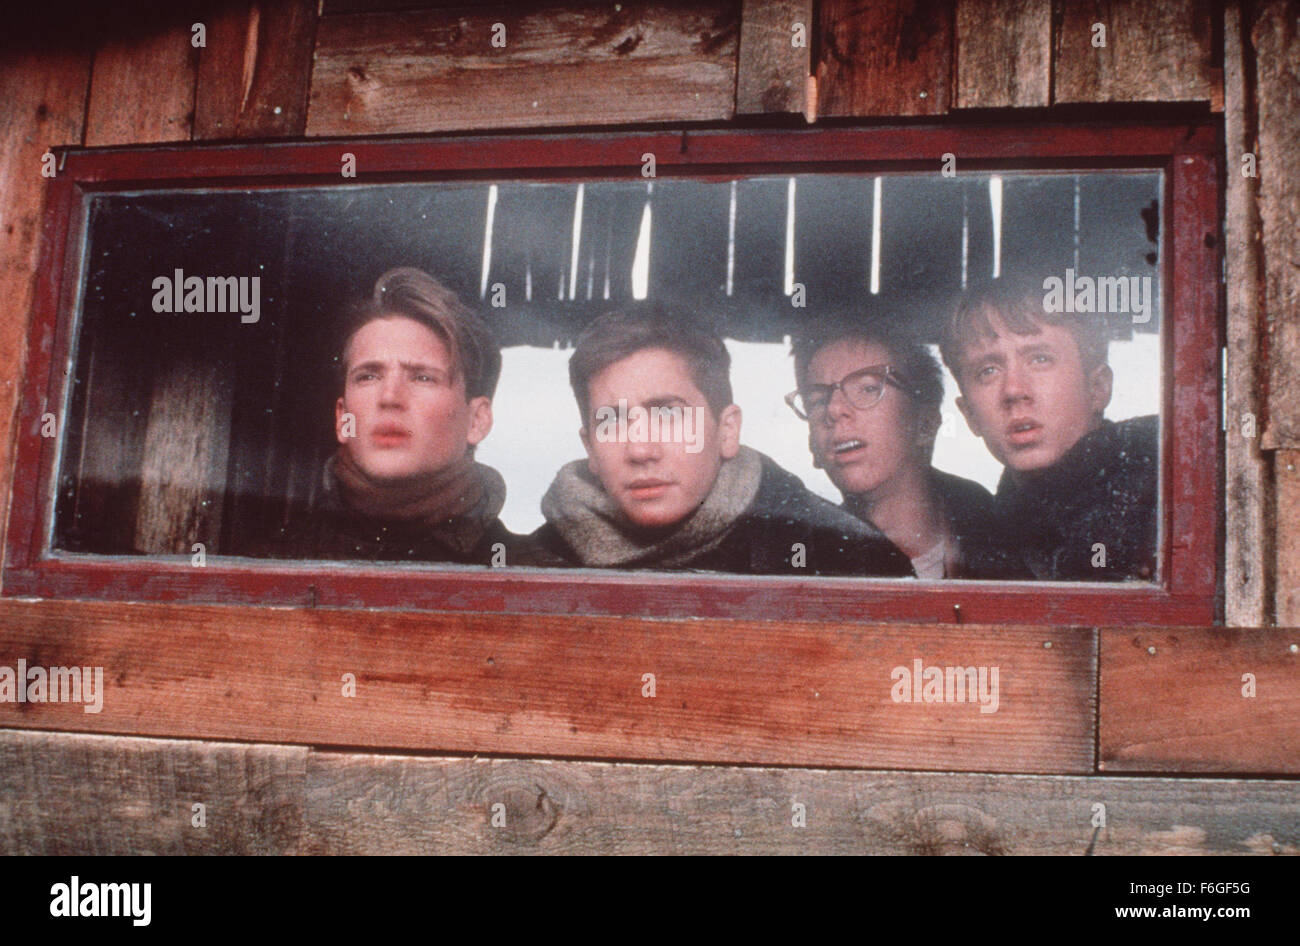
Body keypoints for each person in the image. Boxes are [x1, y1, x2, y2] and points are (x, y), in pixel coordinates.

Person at [526, 308, 913, 576]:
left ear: (726, 431)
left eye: (669, 415)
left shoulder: (850, 560)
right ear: (590, 447)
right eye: (611, 422)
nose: (641, 450)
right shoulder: (529, 565)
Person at [264, 267, 516, 563]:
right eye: (368, 376)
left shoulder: (533, 578)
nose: (389, 397)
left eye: (423, 378)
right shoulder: (260, 567)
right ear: (342, 418)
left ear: (477, 421)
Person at [939, 277, 1158, 581]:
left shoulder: (1169, 496)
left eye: (1040, 359)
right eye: (988, 370)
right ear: (969, 415)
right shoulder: (983, 538)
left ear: (1098, 388)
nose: (1014, 390)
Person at [790, 317, 1028, 579]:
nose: (834, 410)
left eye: (868, 389)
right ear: (813, 446)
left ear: (925, 424)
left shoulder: (1006, 535)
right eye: (818, 400)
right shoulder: (810, 564)